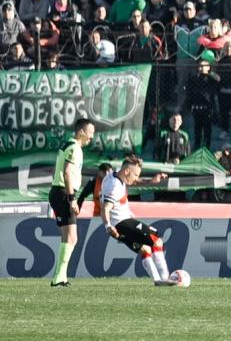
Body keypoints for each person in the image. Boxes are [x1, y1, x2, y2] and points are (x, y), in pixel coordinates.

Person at [100, 155, 175, 286]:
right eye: (135, 175)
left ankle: (158, 281)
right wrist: (108, 226)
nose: (135, 178)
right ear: (127, 171)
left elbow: (134, 181)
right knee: (156, 240)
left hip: (118, 226)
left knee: (145, 249)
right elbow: (105, 209)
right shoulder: (114, 186)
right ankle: (165, 277)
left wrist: (151, 181)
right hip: (122, 223)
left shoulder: (115, 175)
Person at [48, 118, 95, 287]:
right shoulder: (74, 148)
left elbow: (58, 169)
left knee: (66, 237)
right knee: (72, 238)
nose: (92, 137)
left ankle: (60, 276)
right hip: (64, 193)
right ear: (81, 131)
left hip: (57, 191)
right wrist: (71, 198)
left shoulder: (66, 144)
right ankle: (59, 277)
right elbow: (67, 172)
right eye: (90, 133)